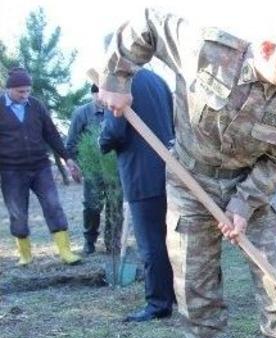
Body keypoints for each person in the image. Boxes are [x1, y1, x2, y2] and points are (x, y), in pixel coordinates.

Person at [98, 7, 276, 338]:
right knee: (194, 279)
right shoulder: (206, 48)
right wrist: (117, 77)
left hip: (251, 190)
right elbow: (147, 22)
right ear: (269, 48)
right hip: (191, 181)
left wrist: (242, 205)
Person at [99, 68, 176, 323]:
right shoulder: (158, 79)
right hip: (169, 169)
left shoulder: (118, 79)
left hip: (141, 173)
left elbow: (114, 131)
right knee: (171, 238)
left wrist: (102, 140)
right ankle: (177, 294)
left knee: (151, 242)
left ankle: (158, 304)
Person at [0, 67, 82, 266]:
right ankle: (25, 254)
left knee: (53, 205)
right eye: (21, 92)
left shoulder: (36, 106)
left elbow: (52, 133)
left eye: (28, 91)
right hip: (11, 170)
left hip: (40, 167)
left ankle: (65, 251)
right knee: (18, 212)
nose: (25, 95)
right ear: (8, 89)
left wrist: (67, 158)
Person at [66, 84, 114, 254]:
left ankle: (113, 242)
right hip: (93, 168)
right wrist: (73, 165)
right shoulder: (81, 113)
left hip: (114, 168)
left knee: (114, 205)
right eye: (99, 94)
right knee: (92, 206)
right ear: (93, 94)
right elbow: (71, 142)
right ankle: (89, 241)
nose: (103, 98)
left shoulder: (115, 109)